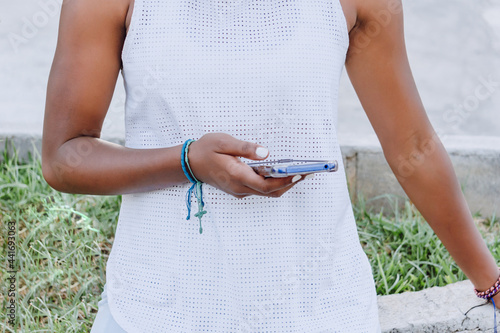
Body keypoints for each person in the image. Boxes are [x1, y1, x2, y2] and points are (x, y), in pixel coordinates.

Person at [41, 0, 500, 331]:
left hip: (320, 308)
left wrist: (490, 280)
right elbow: (64, 157)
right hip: (157, 307)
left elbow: (412, 146)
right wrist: (187, 162)